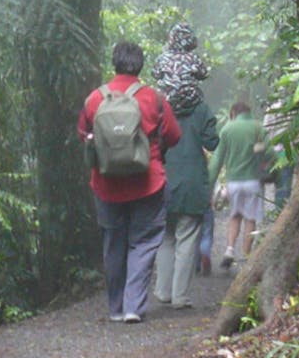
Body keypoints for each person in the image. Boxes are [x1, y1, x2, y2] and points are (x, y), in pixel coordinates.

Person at [77, 41, 181, 324]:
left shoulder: (94, 99)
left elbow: (83, 134)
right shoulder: (154, 98)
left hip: (106, 184)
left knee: (113, 242)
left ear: (114, 63)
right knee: (143, 242)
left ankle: (115, 308)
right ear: (140, 65)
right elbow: (173, 136)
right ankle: (134, 306)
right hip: (148, 182)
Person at [153, 100, 218, 308]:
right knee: (187, 238)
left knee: (165, 237)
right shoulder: (200, 107)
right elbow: (212, 142)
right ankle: (179, 296)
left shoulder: (158, 102)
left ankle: (162, 290)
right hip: (192, 181)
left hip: (162, 177)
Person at [208, 100, 274, 269]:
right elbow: (270, 153)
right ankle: (246, 256)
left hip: (234, 182)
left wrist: (208, 184)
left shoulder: (227, 129)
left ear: (233, 113)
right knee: (250, 219)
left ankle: (229, 250)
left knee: (235, 216)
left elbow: (217, 160)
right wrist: (274, 172)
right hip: (253, 181)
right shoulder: (258, 128)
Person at [151, 22, 209, 114]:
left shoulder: (163, 58)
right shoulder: (193, 58)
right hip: (190, 102)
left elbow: (155, 74)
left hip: (166, 102)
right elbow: (204, 74)